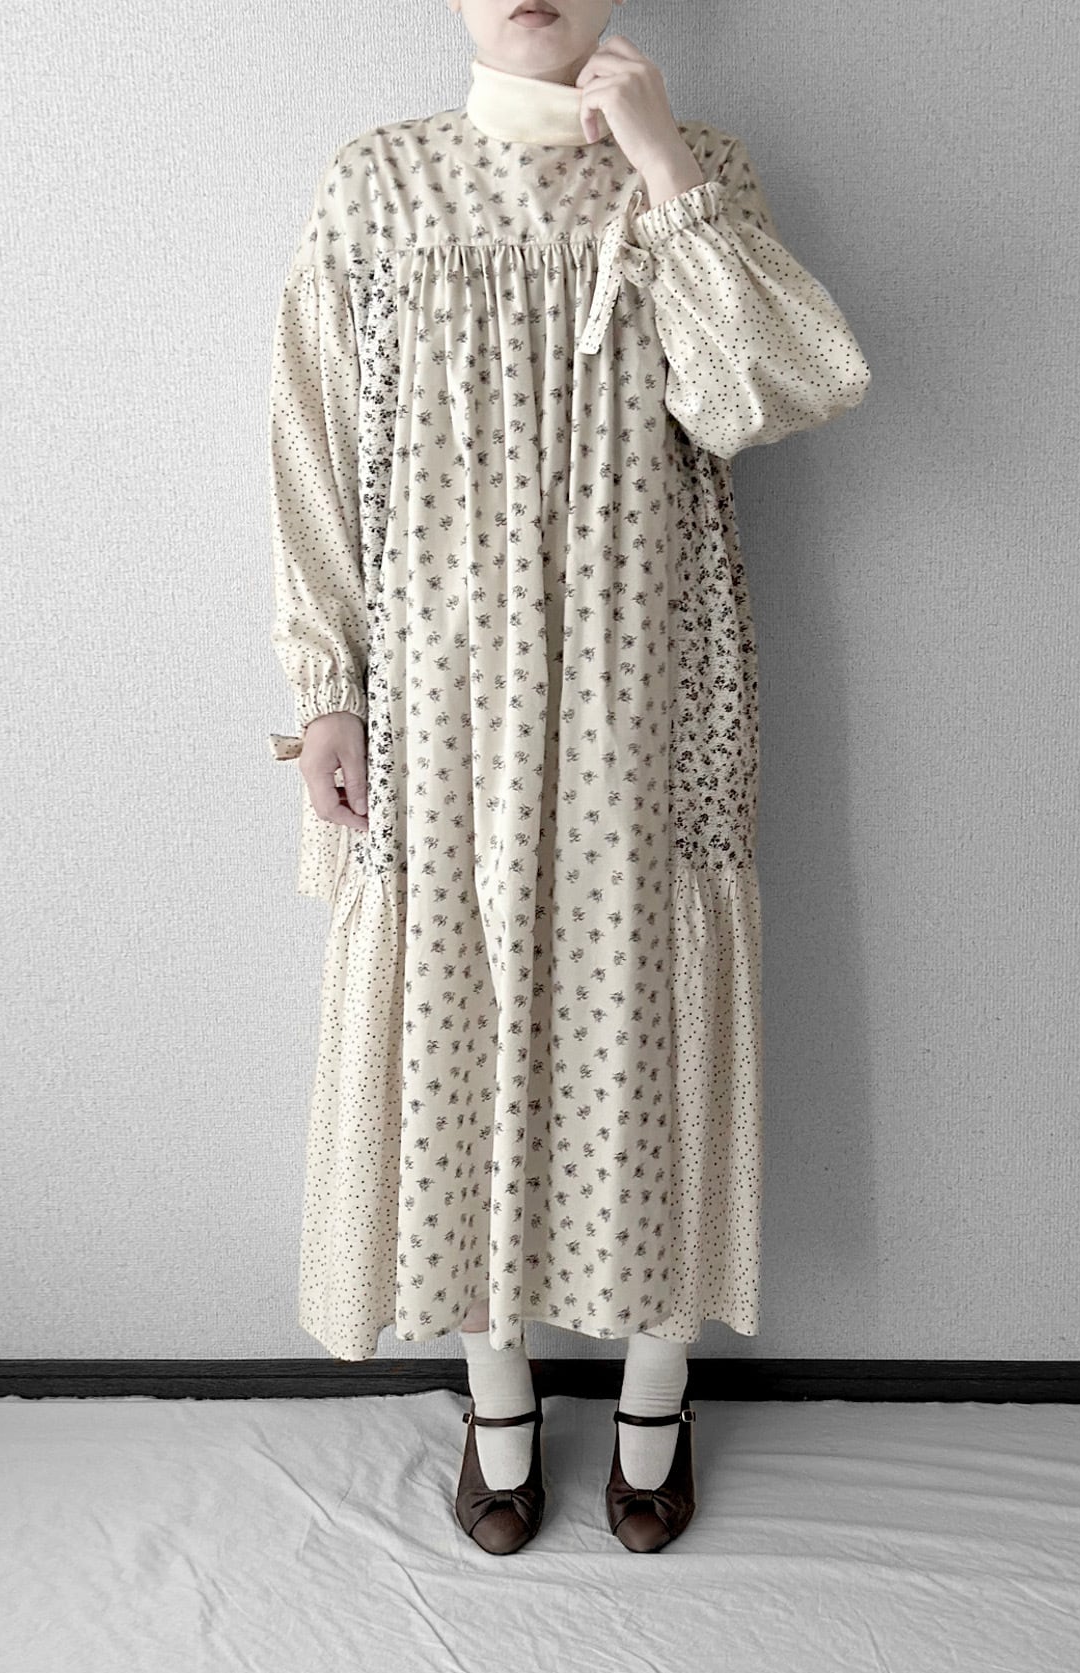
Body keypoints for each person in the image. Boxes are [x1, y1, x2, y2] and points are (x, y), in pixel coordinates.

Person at [267, 0, 871, 1554]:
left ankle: (659, 1396)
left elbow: (771, 391)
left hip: (648, 691)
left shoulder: (699, 169)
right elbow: (313, 441)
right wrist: (327, 689)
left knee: (644, 1021)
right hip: (444, 706)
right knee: (460, 1020)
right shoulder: (379, 184)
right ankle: (498, 1401)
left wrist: (665, 168)